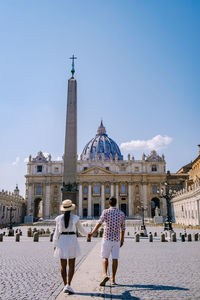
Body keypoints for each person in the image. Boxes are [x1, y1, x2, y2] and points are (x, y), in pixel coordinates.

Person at [88, 196, 125, 286]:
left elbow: (99, 223)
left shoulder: (106, 212)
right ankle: (113, 279)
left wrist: (92, 233)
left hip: (107, 238)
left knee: (105, 258)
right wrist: (122, 239)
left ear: (109, 203)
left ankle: (105, 275)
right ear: (116, 203)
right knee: (115, 259)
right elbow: (123, 228)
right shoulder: (121, 214)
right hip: (116, 239)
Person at [53, 199, 88, 294]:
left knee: (63, 266)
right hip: (72, 240)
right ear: (71, 208)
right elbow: (81, 230)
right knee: (72, 265)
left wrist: (55, 244)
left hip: (62, 240)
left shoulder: (58, 218)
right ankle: (69, 284)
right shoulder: (76, 218)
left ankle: (65, 285)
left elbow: (56, 233)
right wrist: (88, 234)